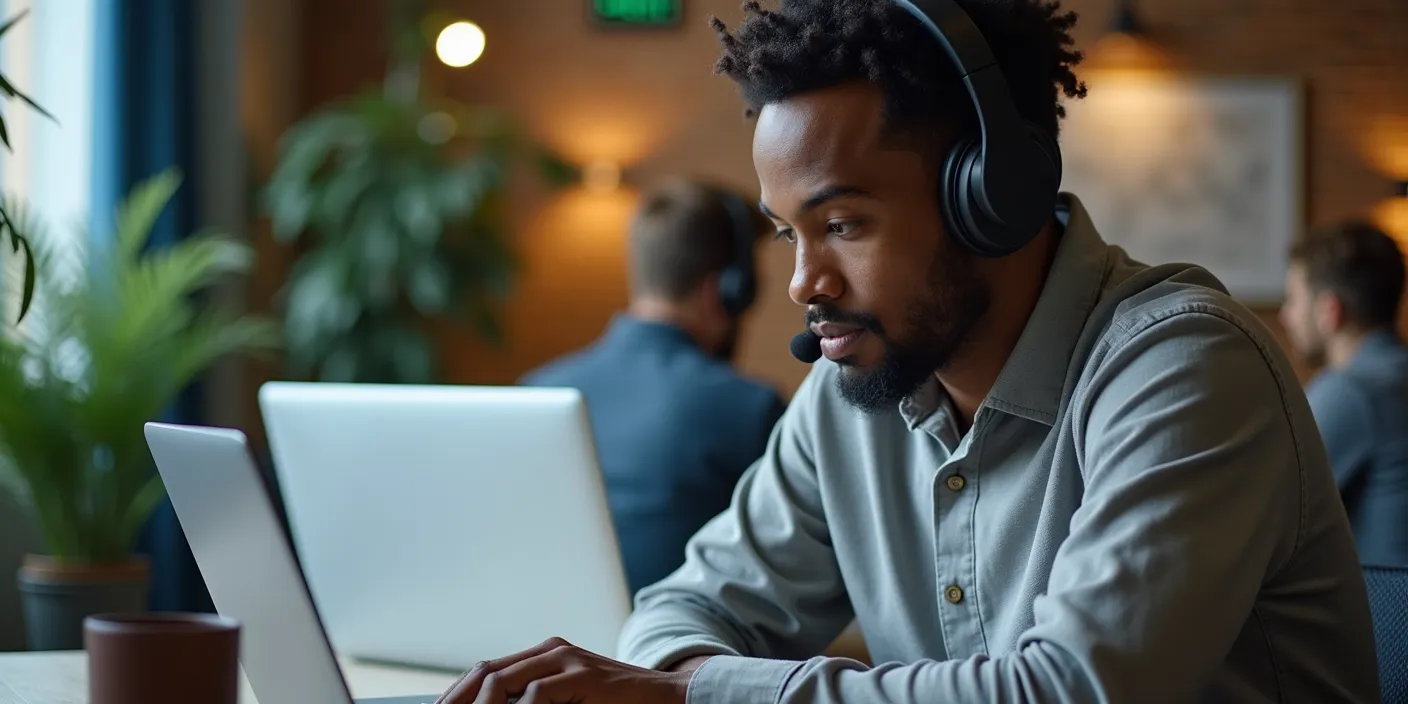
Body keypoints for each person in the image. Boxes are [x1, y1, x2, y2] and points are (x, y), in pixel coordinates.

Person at [437, 1, 1378, 702]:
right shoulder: (853, 390)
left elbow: (1066, 691)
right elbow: (682, 608)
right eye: (785, 231)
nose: (806, 283)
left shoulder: (1186, 372)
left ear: (991, 199)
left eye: (842, 222)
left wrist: (695, 694)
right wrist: (677, 673)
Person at [519, 178, 787, 596]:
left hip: (544, 651)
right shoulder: (751, 407)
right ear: (728, 290)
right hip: (672, 656)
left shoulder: (537, 392)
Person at [1280, 220, 1408, 567]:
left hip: (1386, 615)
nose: (1285, 316)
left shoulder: (1351, 391)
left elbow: (1269, 512)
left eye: (1293, 300)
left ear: (1329, 311)